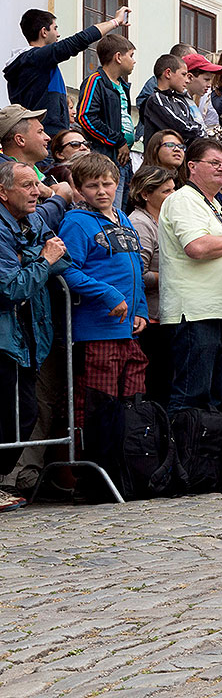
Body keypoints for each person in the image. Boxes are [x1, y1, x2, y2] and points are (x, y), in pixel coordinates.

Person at [157, 138, 222, 414]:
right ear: (191, 167)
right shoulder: (183, 200)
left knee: (212, 398)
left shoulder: (211, 204)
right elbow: (197, 247)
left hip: (219, 311)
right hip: (194, 313)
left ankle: (202, 458)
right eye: (214, 163)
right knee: (191, 397)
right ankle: (183, 458)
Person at [58, 153, 149, 434]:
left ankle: (119, 468)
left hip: (127, 331)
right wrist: (107, 294)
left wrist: (141, 308)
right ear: (79, 189)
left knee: (130, 405)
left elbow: (135, 268)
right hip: (96, 331)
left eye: (107, 184)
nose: (101, 191)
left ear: (118, 184)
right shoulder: (75, 221)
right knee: (97, 407)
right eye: (92, 185)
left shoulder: (122, 217)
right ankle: (87, 470)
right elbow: (65, 269)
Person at [0, 161, 69, 512]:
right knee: (13, 413)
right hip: (5, 335)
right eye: (27, 185)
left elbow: (62, 259)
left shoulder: (34, 219)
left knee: (23, 415)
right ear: (3, 192)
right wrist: (41, 260)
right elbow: (10, 287)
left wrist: (39, 260)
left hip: (28, 335)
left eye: (37, 185)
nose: (37, 192)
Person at [4, 6, 130, 136]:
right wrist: (115, 22)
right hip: (46, 137)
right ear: (44, 32)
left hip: (42, 135)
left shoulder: (33, 62)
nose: (58, 34)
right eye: (55, 28)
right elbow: (77, 41)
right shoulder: (35, 58)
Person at [126, 164, 175, 407]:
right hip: (151, 322)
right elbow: (137, 273)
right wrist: (174, 277)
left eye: (173, 190)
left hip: (168, 316)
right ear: (146, 194)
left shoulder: (167, 220)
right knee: (155, 389)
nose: (172, 196)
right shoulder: (140, 223)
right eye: (166, 191)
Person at [73, 34, 138, 184]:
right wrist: (117, 141)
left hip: (122, 159)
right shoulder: (95, 81)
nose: (134, 61)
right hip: (105, 158)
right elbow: (85, 117)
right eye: (131, 55)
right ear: (118, 57)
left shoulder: (122, 85)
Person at [139, 55, 201, 146]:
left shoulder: (179, 100)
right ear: (168, 73)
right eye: (183, 74)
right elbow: (182, 127)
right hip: (159, 158)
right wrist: (200, 129)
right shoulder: (156, 100)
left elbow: (190, 124)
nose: (187, 80)